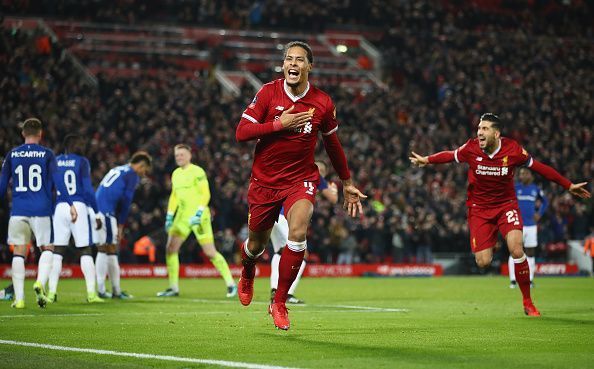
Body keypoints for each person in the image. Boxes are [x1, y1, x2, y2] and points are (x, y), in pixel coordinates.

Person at [235, 41, 366, 330]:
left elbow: (333, 144)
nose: (292, 64)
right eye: (288, 59)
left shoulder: (322, 102)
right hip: (265, 182)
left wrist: (347, 182)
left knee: (298, 233)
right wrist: (280, 124)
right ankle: (247, 270)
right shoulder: (268, 92)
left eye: (299, 60)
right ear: (283, 65)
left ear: (309, 66)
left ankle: (279, 302)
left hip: (300, 179)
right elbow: (242, 132)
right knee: (255, 246)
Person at [409, 113, 590, 317]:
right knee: (483, 262)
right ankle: (492, 237)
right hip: (479, 210)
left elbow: (540, 168)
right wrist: (427, 160)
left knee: (516, 249)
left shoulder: (513, 150)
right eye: (478, 128)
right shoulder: (471, 148)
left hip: (506, 206)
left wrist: (568, 185)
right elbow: (451, 155)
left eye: (484, 129)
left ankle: (528, 302)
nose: (479, 132)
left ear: (496, 133)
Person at [0, 118, 77, 308]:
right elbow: (59, 182)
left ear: (23, 133)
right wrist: (70, 204)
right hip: (41, 209)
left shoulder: (13, 154)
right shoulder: (47, 154)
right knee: (48, 248)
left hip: (18, 210)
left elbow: (2, 185)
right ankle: (40, 282)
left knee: (19, 251)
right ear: (40, 134)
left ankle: (19, 300)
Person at [157, 144, 237, 298]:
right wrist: (169, 215)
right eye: (176, 155)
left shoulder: (197, 171)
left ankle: (231, 284)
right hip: (182, 217)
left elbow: (205, 193)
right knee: (171, 249)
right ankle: (173, 288)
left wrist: (199, 212)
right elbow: (174, 196)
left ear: (189, 155)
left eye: (181, 154)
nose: (179, 157)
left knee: (210, 252)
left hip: (199, 217)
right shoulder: (175, 174)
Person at [268, 160, 338, 304]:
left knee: (279, 252)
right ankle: (287, 293)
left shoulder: (296, 173)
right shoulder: (316, 175)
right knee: (301, 253)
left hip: (272, 214)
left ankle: (275, 290)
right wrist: (334, 188)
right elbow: (333, 199)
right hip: (284, 216)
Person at [47, 134, 104, 303]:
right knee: (85, 249)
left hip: (59, 207)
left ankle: (51, 293)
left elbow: (50, 188)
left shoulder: (55, 160)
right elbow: (87, 189)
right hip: (77, 206)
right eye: (80, 143)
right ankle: (91, 294)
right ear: (74, 145)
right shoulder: (82, 161)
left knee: (57, 251)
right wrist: (96, 212)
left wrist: (52, 210)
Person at [95, 151, 152, 299]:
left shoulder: (118, 169)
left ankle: (109, 290)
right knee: (109, 249)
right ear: (141, 165)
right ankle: (111, 290)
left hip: (97, 210)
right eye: (144, 170)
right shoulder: (132, 174)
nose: (143, 173)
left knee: (105, 248)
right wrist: (121, 225)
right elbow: (126, 202)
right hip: (106, 213)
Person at [509, 167, 548, 288]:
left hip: (531, 226)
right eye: (521, 174)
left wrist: (539, 214)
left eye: (525, 173)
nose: (522, 176)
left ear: (530, 175)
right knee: (514, 251)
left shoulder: (535, 189)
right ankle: (513, 280)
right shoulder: (515, 188)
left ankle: (529, 280)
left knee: (530, 252)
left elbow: (545, 202)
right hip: (517, 225)